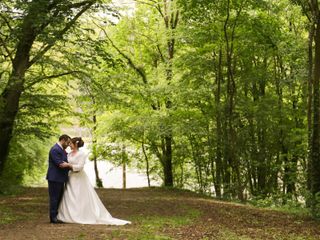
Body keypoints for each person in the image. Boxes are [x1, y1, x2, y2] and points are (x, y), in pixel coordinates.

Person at [57, 137, 131, 225]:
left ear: (76, 144)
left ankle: (81, 215)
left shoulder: (82, 154)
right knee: (69, 195)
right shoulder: (69, 154)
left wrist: (68, 165)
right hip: (70, 177)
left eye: (71, 144)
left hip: (79, 178)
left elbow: (80, 167)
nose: (69, 145)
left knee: (79, 196)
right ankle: (67, 215)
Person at [46, 134, 71, 224]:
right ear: (63, 140)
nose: (68, 144)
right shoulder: (55, 149)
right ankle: (53, 218)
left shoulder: (62, 150)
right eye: (67, 142)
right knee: (54, 198)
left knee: (59, 198)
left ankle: (56, 216)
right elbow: (59, 163)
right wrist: (72, 166)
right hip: (54, 178)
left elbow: (66, 161)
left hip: (60, 178)